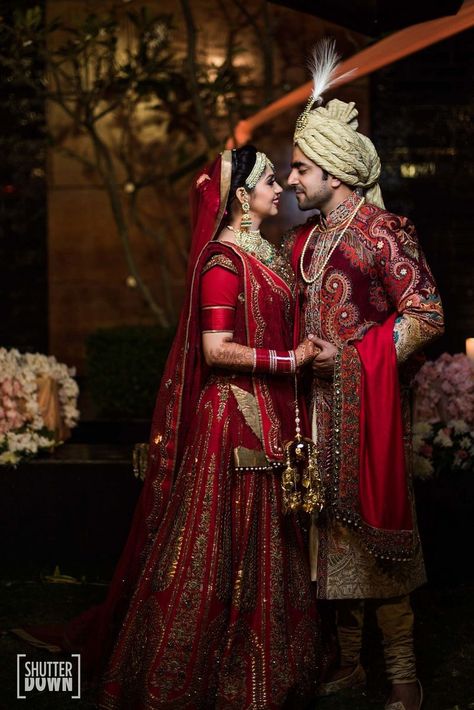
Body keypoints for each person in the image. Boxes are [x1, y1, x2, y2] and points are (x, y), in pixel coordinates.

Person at [14, 146, 325, 708]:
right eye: (268, 183)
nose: (278, 190)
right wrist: (289, 361)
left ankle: (265, 664)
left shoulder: (268, 253)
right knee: (216, 548)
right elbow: (214, 350)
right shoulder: (223, 261)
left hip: (268, 413)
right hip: (233, 417)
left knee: (265, 538)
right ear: (241, 198)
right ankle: (193, 669)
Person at [283, 43, 444, 710]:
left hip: (370, 413)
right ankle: (349, 663)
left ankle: (403, 676)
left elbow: (427, 313)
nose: (292, 180)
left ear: (335, 172)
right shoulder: (311, 242)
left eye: (299, 168)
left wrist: (353, 359)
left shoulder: (382, 233)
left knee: (380, 544)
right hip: (317, 416)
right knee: (329, 543)